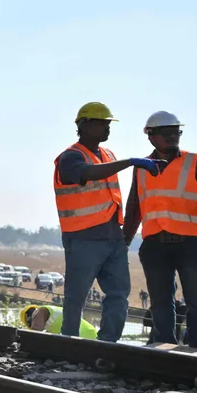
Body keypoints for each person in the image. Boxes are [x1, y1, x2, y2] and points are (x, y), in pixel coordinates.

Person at [54, 102, 163, 342]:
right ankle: (68, 343)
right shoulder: (70, 157)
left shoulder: (107, 154)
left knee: (119, 293)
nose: (107, 128)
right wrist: (130, 162)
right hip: (83, 238)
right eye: (101, 123)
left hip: (112, 237)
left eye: (108, 124)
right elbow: (87, 173)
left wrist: (122, 237)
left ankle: (107, 343)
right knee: (77, 295)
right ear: (84, 125)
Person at [123, 111, 197, 349]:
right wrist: (124, 243)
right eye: (166, 133)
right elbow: (134, 207)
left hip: (193, 243)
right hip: (155, 244)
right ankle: (163, 347)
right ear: (151, 136)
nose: (173, 137)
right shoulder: (141, 167)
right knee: (160, 300)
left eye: (176, 132)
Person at [21, 305, 97, 340]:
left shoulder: (38, 312)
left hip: (85, 337)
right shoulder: (51, 312)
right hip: (91, 334)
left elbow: (34, 334)